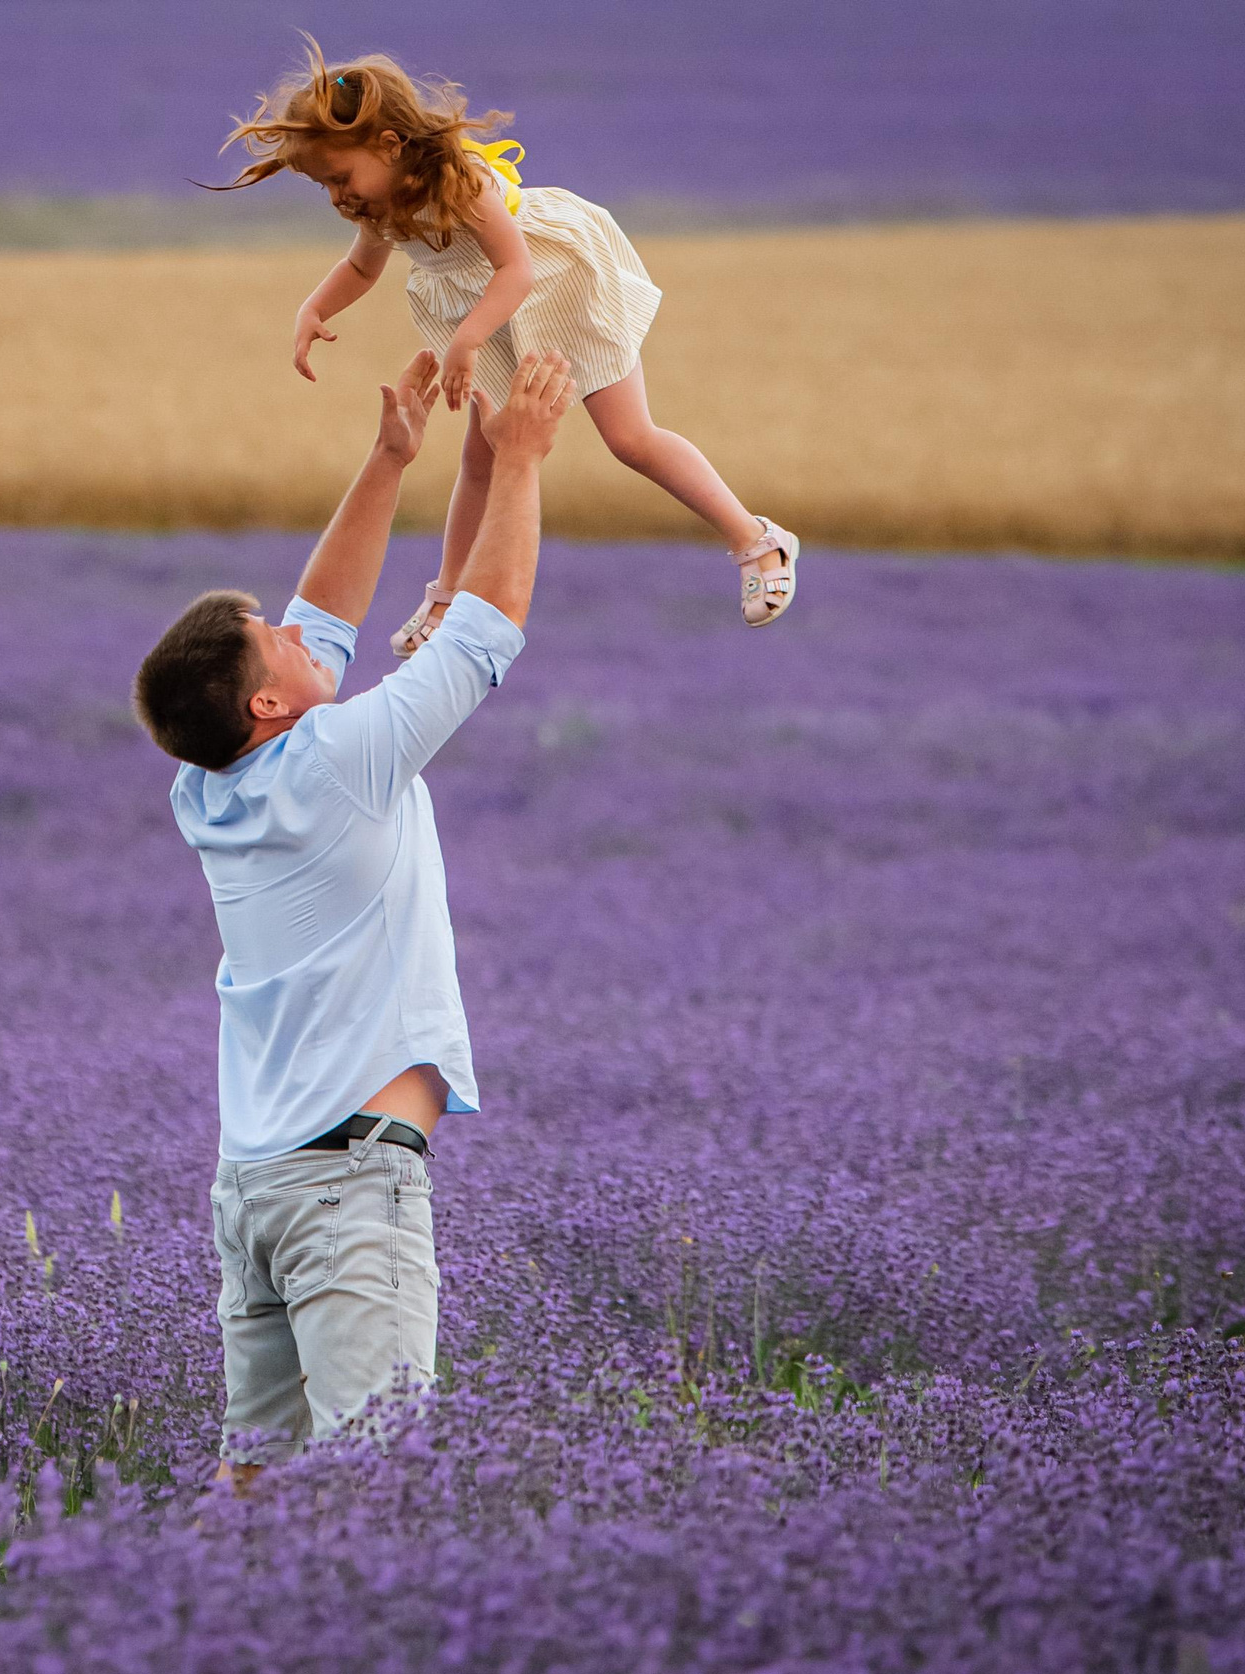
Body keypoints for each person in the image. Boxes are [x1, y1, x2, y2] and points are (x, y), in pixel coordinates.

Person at [131, 347, 575, 1491]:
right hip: (347, 1191)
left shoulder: (208, 783)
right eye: (269, 639)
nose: (293, 630)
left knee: (254, 1482)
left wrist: (388, 461)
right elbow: (488, 627)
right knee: (382, 1483)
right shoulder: (338, 757)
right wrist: (519, 460)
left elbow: (320, 618)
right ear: (270, 702)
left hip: (256, 1188)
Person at [215, 38, 798, 654]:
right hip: (490, 314)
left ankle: (756, 538)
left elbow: (515, 269)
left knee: (630, 438)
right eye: (323, 187)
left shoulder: (457, 182)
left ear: (388, 145)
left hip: (556, 283)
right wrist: (314, 308)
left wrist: (465, 341)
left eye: (340, 177)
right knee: (482, 456)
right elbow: (361, 269)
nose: (338, 196)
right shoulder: (377, 204)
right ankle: (449, 595)